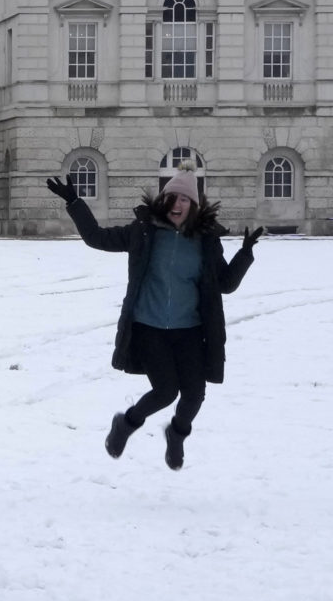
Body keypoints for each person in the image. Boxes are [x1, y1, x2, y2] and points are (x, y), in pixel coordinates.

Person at [47, 168, 260, 470]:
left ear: (194, 205)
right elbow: (96, 238)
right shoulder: (143, 232)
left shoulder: (205, 240)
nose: (177, 203)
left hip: (189, 331)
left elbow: (225, 283)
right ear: (163, 200)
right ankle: (126, 423)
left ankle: (177, 434)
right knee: (165, 391)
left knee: (194, 395)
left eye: (185, 198)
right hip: (150, 329)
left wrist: (245, 254)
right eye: (172, 196)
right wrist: (74, 202)